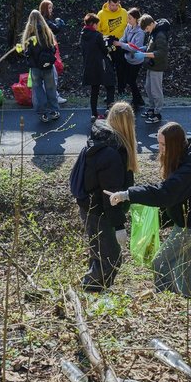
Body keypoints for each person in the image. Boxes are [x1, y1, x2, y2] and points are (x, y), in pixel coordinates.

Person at [106, 122, 191, 298]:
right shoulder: (182, 156)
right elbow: (167, 192)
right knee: (184, 258)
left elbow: (165, 193)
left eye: (163, 144)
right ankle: (188, 299)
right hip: (190, 216)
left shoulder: (188, 169)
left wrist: (127, 194)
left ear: (174, 144)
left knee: (160, 262)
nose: (160, 148)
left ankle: (169, 302)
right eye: (159, 143)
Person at [75, 102, 139, 292]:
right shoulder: (111, 154)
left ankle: (93, 290)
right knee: (111, 257)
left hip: (90, 207)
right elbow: (110, 196)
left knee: (99, 254)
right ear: (129, 124)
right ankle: (91, 292)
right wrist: (119, 226)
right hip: (99, 211)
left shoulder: (103, 142)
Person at [21, 9, 60, 123]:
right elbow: (53, 47)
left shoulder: (28, 33)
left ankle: (43, 113)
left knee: (37, 90)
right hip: (47, 65)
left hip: (35, 67)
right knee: (51, 88)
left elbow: (26, 51)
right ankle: (54, 110)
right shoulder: (46, 31)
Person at [80, 14, 116, 122]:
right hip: (101, 65)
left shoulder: (82, 35)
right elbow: (105, 50)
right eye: (97, 24)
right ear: (93, 24)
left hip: (89, 65)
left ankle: (94, 114)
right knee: (110, 85)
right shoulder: (97, 35)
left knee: (94, 90)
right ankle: (109, 109)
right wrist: (112, 47)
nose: (97, 26)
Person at [139, 15, 169, 125]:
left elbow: (161, 53)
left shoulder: (160, 35)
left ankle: (157, 113)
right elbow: (151, 46)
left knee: (156, 90)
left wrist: (144, 54)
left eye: (147, 29)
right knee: (148, 87)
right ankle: (152, 108)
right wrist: (142, 49)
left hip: (157, 66)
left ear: (151, 24)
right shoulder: (153, 32)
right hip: (151, 65)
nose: (146, 31)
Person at [97, 0, 128, 90]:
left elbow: (129, 28)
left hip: (120, 44)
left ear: (119, 2)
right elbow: (97, 31)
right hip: (107, 45)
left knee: (121, 69)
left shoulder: (124, 12)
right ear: (108, 3)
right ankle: (110, 92)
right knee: (109, 70)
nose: (114, 7)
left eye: (116, 5)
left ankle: (121, 90)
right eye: (112, 5)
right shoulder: (101, 14)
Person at [39, 0, 67, 105]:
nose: (51, 10)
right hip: (45, 52)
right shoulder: (44, 20)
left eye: (51, 8)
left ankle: (50, 97)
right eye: (49, 8)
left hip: (42, 53)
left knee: (47, 77)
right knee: (52, 76)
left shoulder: (41, 20)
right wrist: (59, 25)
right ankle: (53, 97)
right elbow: (54, 29)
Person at [116, 8, 146, 108]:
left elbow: (134, 48)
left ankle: (137, 100)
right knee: (129, 80)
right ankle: (138, 99)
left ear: (136, 19)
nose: (128, 20)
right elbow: (124, 38)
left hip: (136, 60)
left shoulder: (140, 32)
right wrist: (120, 43)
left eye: (130, 18)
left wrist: (121, 44)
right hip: (128, 58)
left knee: (131, 80)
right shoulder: (128, 26)